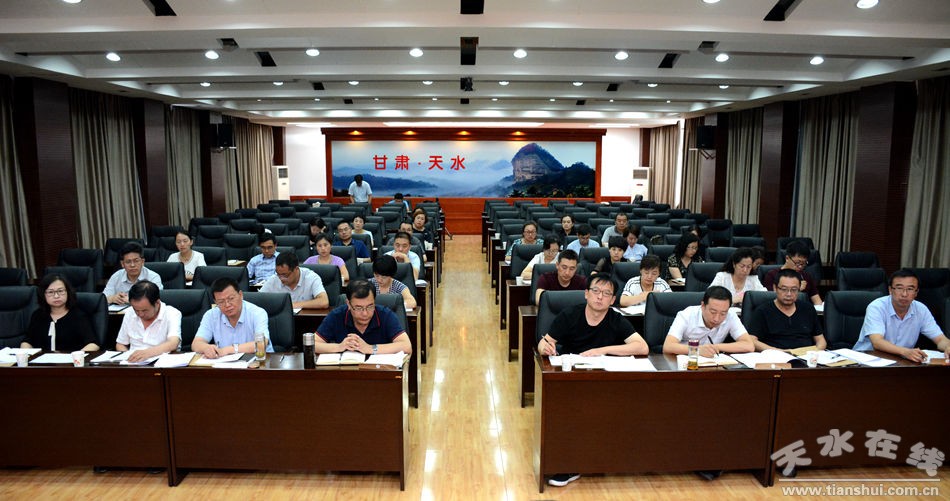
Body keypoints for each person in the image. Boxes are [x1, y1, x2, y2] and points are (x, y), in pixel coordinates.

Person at [537, 274, 649, 488]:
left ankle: (603, 457)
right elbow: (545, 342)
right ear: (586, 294)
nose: (600, 297)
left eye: (606, 294)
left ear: (613, 300)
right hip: (571, 379)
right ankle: (567, 463)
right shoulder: (570, 315)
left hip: (603, 379)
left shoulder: (616, 319)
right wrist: (546, 347)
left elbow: (642, 347)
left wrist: (602, 350)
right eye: (596, 291)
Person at [853, 269, 950, 362]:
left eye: (910, 289)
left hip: (900, 362)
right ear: (890, 290)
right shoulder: (877, 307)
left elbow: (940, 339)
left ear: (916, 292)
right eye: (899, 288)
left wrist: (947, 346)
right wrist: (905, 351)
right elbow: (877, 342)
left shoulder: (921, 309)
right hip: (867, 359)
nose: (904, 294)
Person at [314, 279, 413, 355]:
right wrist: (339, 347)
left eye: (370, 306)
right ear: (348, 304)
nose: (365, 313)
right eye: (358, 308)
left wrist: (370, 348)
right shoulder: (336, 316)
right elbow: (313, 344)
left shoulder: (386, 315)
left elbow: (406, 346)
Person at [192, 277, 272, 359]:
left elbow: (262, 343)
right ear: (215, 302)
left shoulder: (257, 313)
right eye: (221, 302)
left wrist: (227, 350)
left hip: (259, 361)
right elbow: (196, 344)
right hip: (225, 363)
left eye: (231, 299)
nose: (227, 305)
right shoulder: (211, 315)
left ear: (240, 295)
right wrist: (206, 348)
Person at [662, 285, 755, 356]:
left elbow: (749, 345)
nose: (717, 319)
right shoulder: (687, 315)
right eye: (713, 312)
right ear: (703, 306)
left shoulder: (731, 315)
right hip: (685, 361)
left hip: (712, 363)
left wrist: (716, 347)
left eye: (723, 313)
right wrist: (697, 350)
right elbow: (668, 346)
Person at [748, 269, 826, 351]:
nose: (789, 294)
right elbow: (752, 340)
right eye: (784, 289)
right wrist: (776, 351)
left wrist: (815, 352)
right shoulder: (762, 311)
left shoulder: (808, 309)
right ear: (775, 288)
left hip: (805, 355)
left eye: (794, 289)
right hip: (775, 355)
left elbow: (821, 340)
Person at [21, 274, 98, 352]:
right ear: (43, 294)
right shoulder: (38, 315)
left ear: (68, 292)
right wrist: (25, 353)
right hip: (42, 359)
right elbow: (27, 341)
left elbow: (93, 344)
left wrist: (76, 356)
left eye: (60, 291)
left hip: (70, 359)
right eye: (50, 292)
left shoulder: (78, 316)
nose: (56, 296)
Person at [116, 280, 182, 362]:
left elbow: (173, 343)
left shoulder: (172, 313)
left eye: (144, 310)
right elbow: (121, 344)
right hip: (134, 363)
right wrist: (128, 359)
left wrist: (147, 353)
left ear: (157, 303)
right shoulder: (130, 312)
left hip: (162, 363)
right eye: (136, 310)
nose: (140, 314)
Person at [762, 240, 821, 305]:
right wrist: (797, 290)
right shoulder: (772, 275)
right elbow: (772, 300)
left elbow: (817, 300)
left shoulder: (806, 276)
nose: (800, 267)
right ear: (787, 258)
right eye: (798, 263)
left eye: (804, 263)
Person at [262, 252, 329, 309]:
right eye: (278, 274)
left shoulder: (311, 277)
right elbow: (258, 300)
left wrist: (291, 305)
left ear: (296, 269)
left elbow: (324, 302)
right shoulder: (274, 279)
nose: (281, 278)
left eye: (285, 275)